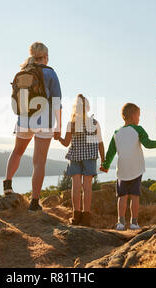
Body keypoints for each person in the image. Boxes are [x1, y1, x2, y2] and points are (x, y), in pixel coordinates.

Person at [3, 42, 62, 211]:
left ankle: (7, 184)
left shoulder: (22, 71)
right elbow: (57, 101)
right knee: (39, 161)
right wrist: (58, 125)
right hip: (44, 119)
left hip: (24, 118)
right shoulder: (50, 72)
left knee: (17, 151)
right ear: (45, 56)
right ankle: (35, 202)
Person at [100, 103, 156, 230]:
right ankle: (134, 223)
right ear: (134, 115)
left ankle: (120, 223)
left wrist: (106, 165)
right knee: (135, 196)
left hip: (122, 170)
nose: (139, 118)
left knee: (122, 197)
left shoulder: (116, 133)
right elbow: (147, 144)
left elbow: (110, 152)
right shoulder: (138, 129)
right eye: (139, 115)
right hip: (136, 169)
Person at [58, 94, 105, 227]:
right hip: (90, 157)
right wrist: (103, 160)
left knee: (76, 186)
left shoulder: (71, 124)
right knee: (87, 187)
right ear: (88, 108)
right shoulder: (94, 123)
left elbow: (66, 143)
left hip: (75, 156)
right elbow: (100, 143)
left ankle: (76, 215)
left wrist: (58, 138)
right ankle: (86, 216)